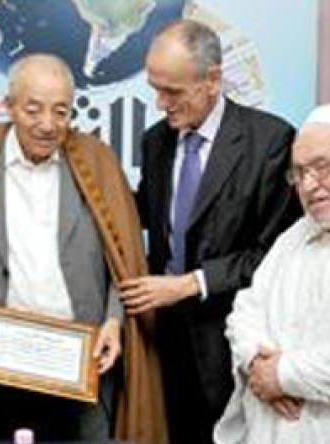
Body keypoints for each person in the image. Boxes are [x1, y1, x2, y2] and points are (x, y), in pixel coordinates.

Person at [0, 53, 166, 443]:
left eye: (61, 111)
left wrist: (114, 321)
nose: (48, 125)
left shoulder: (98, 162)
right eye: (33, 110)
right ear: (9, 106)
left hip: (79, 362)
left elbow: (124, 258)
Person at [121, 19, 301, 444]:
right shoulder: (155, 142)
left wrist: (191, 284)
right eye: (155, 89)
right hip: (162, 342)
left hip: (232, 346)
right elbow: (146, 216)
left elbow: (274, 258)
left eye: (173, 91)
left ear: (213, 80)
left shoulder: (270, 142)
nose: (161, 104)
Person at [214, 103, 330, 444]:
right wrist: (255, 364)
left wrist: (283, 376)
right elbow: (244, 312)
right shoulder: (293, 237)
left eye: (322, 168)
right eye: (299, 173)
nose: (309, 185)